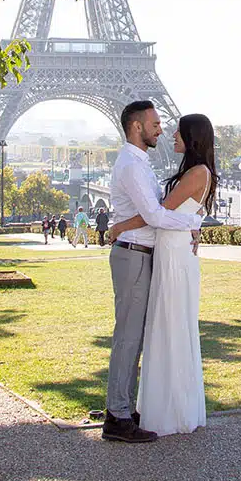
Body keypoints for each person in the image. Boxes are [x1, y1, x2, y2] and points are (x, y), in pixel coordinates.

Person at [100, 101, 204, 443]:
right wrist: (193, 222)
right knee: (128, 337)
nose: (161, 128)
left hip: (141, 253)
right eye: (155, 123)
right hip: (133, 254)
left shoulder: (139, 163)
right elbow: (157, 216)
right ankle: (117, 417)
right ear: (136, 127)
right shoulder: (131, 165)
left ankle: (124, 409)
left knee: (135, 337)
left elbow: (153, 212)